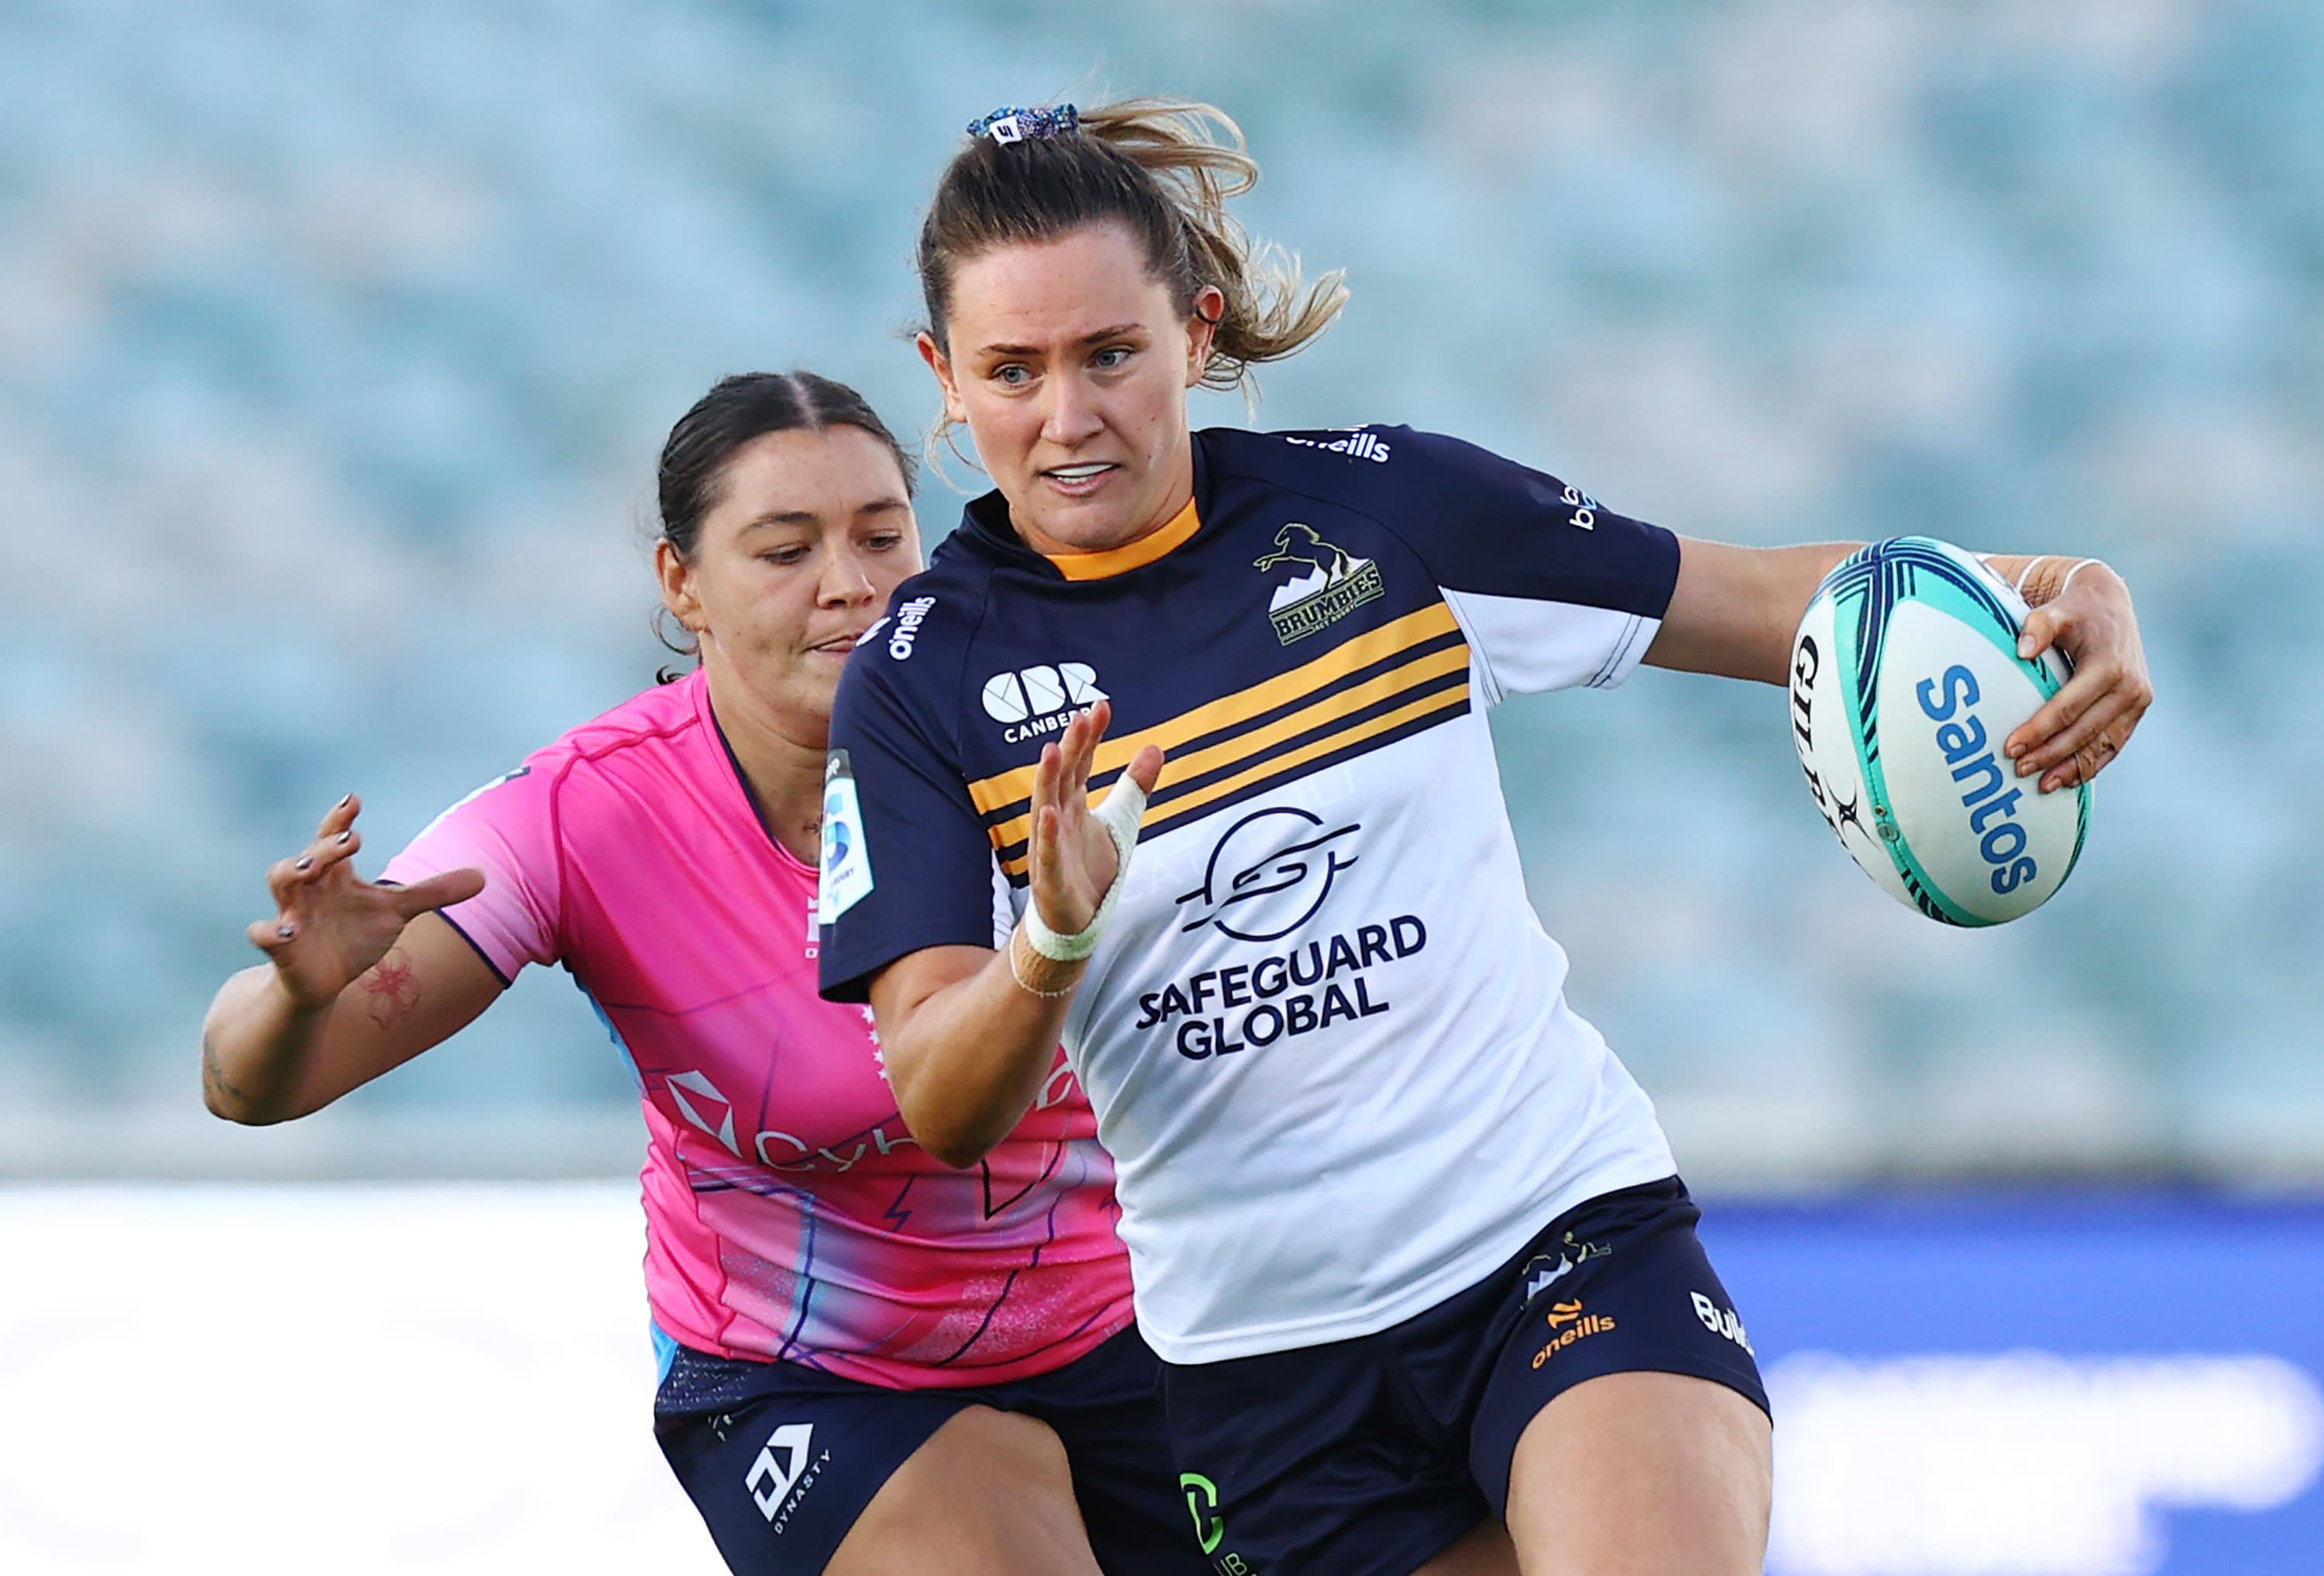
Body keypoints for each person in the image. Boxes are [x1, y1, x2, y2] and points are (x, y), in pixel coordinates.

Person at [816, 102, 2157, 1576]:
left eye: (1109, 354)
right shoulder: (917, 682)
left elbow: (1765, 600)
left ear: (1197, 333)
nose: (1066, 418)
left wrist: (2049, 583)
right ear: (946, 379)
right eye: (1013, 371)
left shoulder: (1390, 510)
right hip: (1264, 1369)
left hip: (1553, 1239)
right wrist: (1053, 944)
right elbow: (941, 1094)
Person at [198, 370, 1203, 1576]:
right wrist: (302, 993)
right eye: (786, 549)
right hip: (812, 1375)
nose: (851, 584)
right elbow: (246, 1084)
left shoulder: (1067, 743)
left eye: (884, 536)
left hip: (1141, 1326)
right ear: (683, 587)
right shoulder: (582, 818)